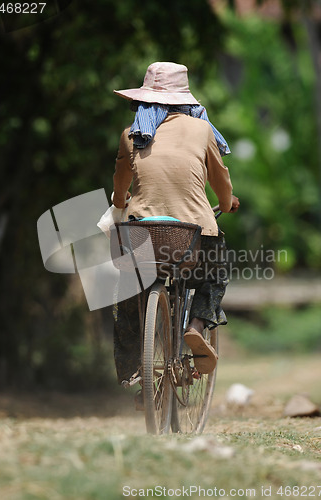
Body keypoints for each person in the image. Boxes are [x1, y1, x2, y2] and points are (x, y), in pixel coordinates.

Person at [111, 62, 239, 387]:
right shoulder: (201, 129)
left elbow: (120, 186)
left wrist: (118, 203)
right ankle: (196, 325)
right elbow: (220, 180)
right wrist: (226, 204)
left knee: (128, 294)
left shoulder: (131, 135)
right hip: (193, 234)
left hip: (142, 232)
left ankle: (132, 370)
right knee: (214, 271)